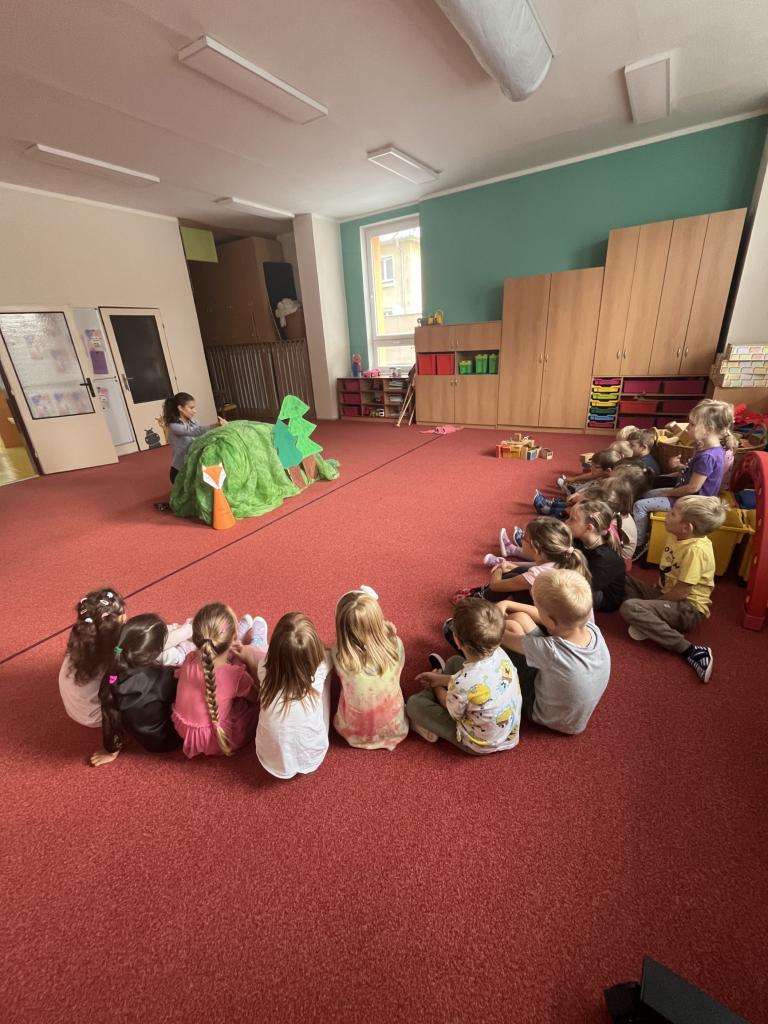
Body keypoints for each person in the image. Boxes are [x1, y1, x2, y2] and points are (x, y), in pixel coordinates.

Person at [619, 496, 726, 682]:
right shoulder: (676, 535)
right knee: (621, 578)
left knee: (630, 608)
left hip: (688, 608)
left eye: (673, 514)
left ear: (687, 528)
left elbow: (682, 592)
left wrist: (653, 603)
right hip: (667, 595)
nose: (667, 515)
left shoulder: (696, 551)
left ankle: (691, 650)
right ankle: (650, 620)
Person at [59, 587, 195, 727]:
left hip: (80, 707)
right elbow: (153, 647)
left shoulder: (84, 638)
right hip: (96, 715)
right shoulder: (118, 650)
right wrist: (188, 629)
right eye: (124, 616)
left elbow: (144, 637)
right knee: (152, 668)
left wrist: (174, 629)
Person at [499, 570, 610, 735]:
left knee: (509, 628)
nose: (537, 610)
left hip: (543, 715)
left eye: (538, 608)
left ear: (551, 621)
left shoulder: (550, 651)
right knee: (520, 618)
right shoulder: (592, 629)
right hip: (571, 715)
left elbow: (499, 636)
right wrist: (507, 604)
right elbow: (548, 621)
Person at [406, 597, 522, 754]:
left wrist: (437, 687)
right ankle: (439, 683)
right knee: (454, 661)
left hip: (479, 744)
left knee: (414, 704)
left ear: (458, 641)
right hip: (509, 735)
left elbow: (452, 711)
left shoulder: (462, 684)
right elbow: (476, 686)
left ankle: (426, 723)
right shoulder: (501, 653)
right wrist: (441, 679)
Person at [632, 399, 735, 557]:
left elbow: (693, 488)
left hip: (692, 502)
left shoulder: (707, 456)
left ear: (709, 429)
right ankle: (646, 530)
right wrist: (678, 467)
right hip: (685, 494)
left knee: (640, 505)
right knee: (647, 493)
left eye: (692, 424)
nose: (687, 428)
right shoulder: (706, 448)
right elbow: (694, 474)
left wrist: (669, 493)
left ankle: (638, 544)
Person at [237, 612, 332, 780]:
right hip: (313, 756)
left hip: (270, 760)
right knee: (325, 682)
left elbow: (261, 669)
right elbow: (330, 656)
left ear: (274, 650)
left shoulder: (265, 668)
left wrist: (248, 659)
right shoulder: (321, 668)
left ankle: (258, 644)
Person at [90, 614, 183, 765]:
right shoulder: (162, 677)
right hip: (167, 739)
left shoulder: (112, 675)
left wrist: (111, 749)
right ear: (156, 652)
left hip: (143, 738)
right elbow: (183, 693)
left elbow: (109, 715)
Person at [172, 603, 262, 757]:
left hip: (186, 732)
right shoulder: (235, 675)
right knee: (256, 706)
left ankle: (238, 646)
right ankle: (258, 644)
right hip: (219, 738)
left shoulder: (190, 658)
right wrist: (250, 661)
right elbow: (258, 696)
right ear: (233, 637)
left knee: (229, 687)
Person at [332, 587, 408, 750]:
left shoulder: (338, 654)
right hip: (394, 729)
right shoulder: (397, 646)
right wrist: (390, 635)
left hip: (353, 734)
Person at [480, 518, 590, 604]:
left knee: (512, 577)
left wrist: (499, 568)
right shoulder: (562, 558)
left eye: (523, 536)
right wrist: (508, 565)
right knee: (519, 572)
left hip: (549, 623)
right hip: (561, 615)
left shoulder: (538, 574)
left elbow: (495, 585)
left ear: (535, 548)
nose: (521, 538)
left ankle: (480, 599)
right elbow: (530, 569)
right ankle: (483, 596)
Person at [565, 499, 625, 611]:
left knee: (559, 592)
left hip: (603, 596)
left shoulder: (604, 558)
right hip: (584, 578)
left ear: (589, 528)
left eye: (572, 519)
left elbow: (584, 586)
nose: (566, 522)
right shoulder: (580, 540)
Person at [163, 391, 226, 486]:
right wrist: (216, 425)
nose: (195, 411)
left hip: (194, 465)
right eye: (191, 408)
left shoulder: (193, 422)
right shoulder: (174, 426)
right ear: (180, 408)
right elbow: (194, 431)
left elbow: (202, 435)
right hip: (180, 471)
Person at [554, 448, 624, 498]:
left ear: (608, 470)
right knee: (592, 481)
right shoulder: (604, 473)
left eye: (595, 467)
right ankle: (572, 489)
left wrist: (577, 496)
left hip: (592, 500)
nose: (591, 468)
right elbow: (592, 475)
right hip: (591, 489)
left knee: (592, 485)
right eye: (591, 465)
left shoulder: (609, 485)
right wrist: (574, 479)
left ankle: (572, 491)